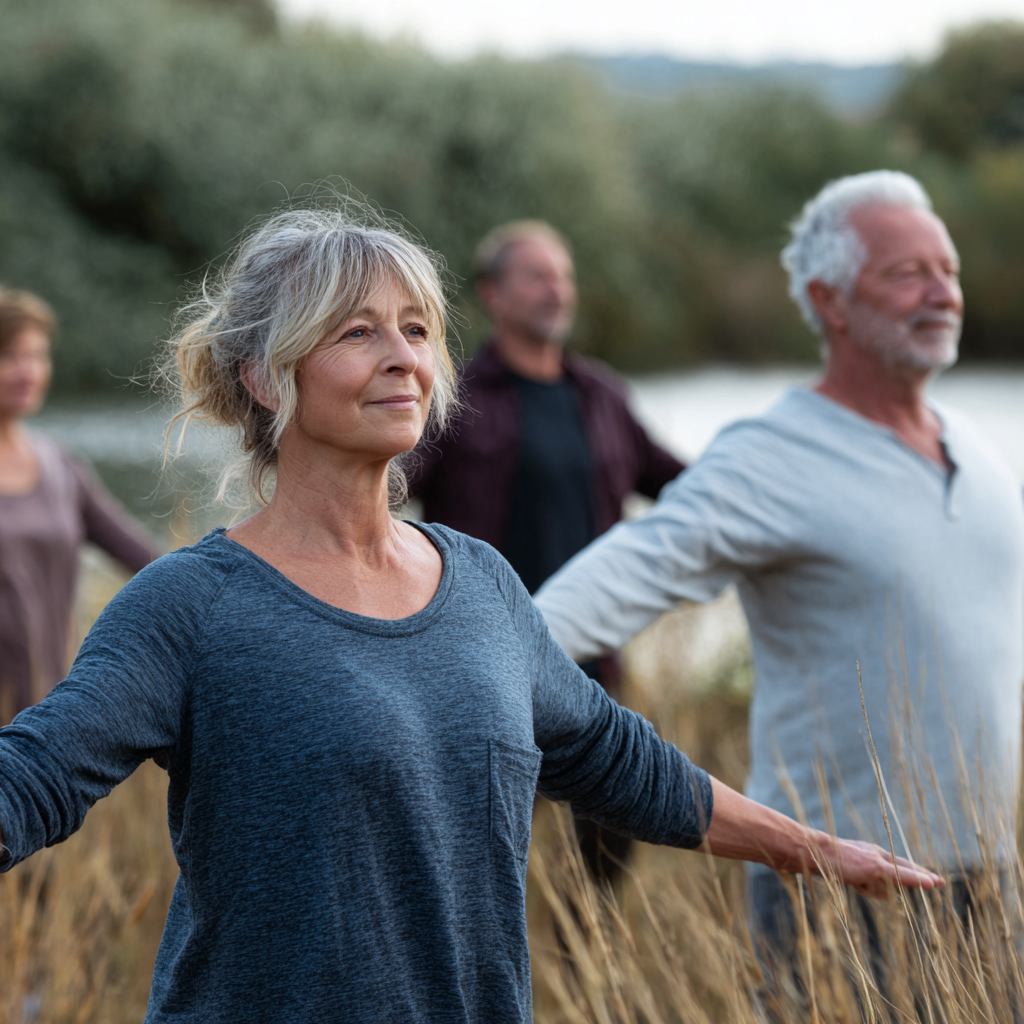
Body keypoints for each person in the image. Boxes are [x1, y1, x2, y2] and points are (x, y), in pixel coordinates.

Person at [0, 207, 939, 1023]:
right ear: (262, 374)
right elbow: (36, 774)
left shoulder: (482, 585)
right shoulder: (191, 606)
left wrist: (811, 848)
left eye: (417, 329)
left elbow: (616, 758)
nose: (404, 358)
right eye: (358, 333)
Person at [534, 171, 1024, 961]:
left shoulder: (976, 449)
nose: (942, 292)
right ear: (830, 301)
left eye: (950, 270)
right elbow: (603, 589)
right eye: (907, 274)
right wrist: (469, 669)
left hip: (995, 875)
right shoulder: (770, 458)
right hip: (844, 886)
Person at [411, 221, 685, 881]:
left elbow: (684, 488)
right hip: (482, 664)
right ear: (493, 295)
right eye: (536, 276)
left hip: (592, 667)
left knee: (611, 847)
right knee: (477, 858)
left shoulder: (602, 397)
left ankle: (583, 969)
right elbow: (379, 489)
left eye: (562, 276)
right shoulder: (453, 396)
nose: (556, 290)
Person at [0, 287, 159, 720]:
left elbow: (147, 557)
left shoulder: (60, 466)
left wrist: (236, 583)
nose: (27, 371)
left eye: (37, 356)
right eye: (10, 356)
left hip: (46, 715)